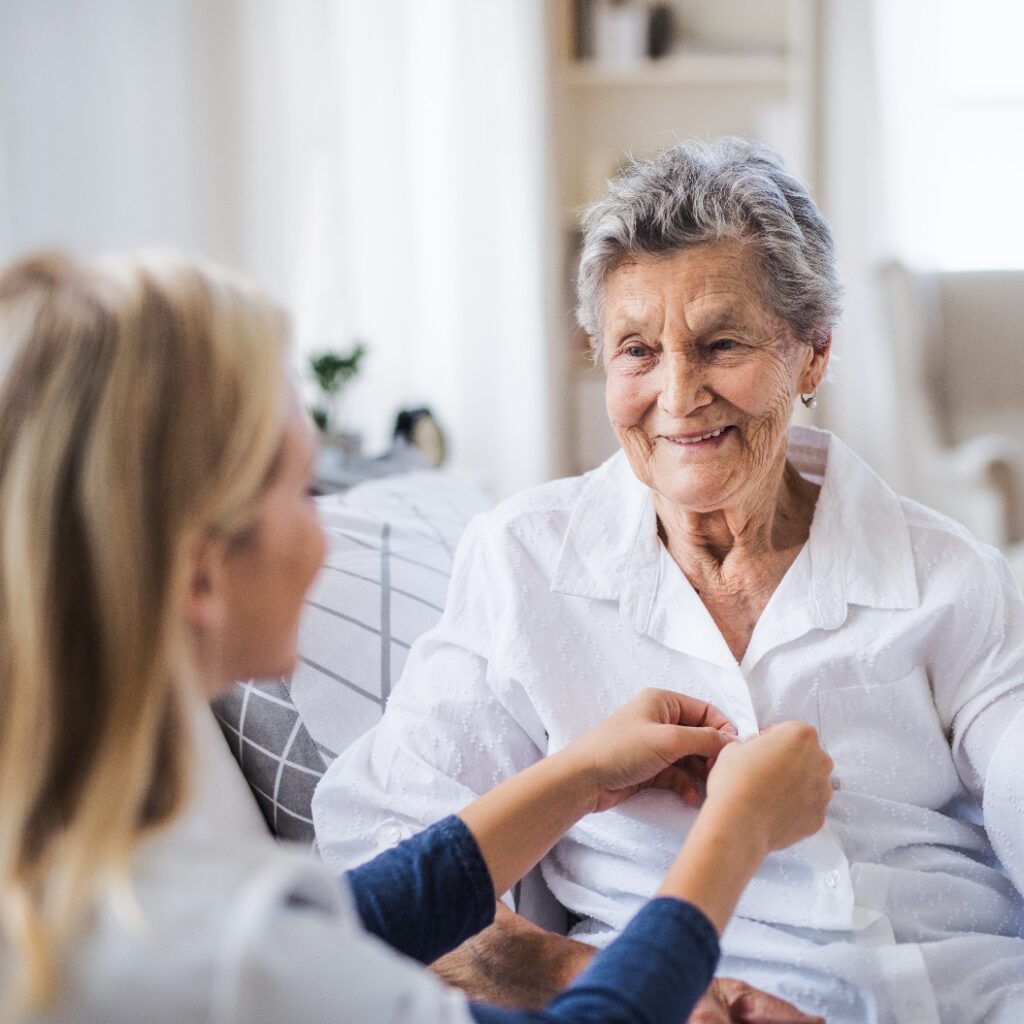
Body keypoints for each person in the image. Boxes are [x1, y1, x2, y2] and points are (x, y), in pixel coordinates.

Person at [0, 250, 834, 1024]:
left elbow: (353, 919)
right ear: (198, 574)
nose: (330, 537)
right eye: (301, 492)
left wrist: (578, 773)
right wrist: (736, 834)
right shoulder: (219, 958)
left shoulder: (92, 870)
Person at [312, 136, 1024, 1024]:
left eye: (720, 342)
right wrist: (586, 977)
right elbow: (380, 854)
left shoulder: (949, 573)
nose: (679, 393)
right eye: (638, 351)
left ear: (812, 354)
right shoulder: (524, 562)